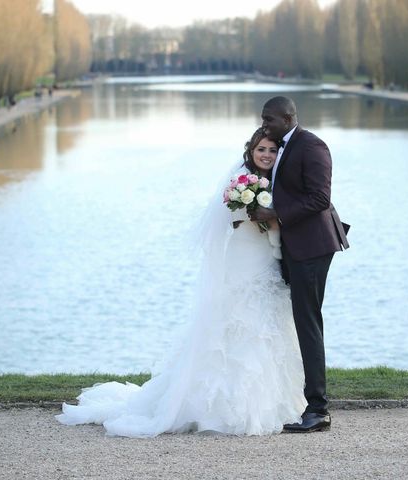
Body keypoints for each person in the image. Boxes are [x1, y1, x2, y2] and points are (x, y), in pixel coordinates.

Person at [56, 128, 306, 437]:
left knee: (267, 328)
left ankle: (272, 403)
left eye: (271, 150)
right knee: (238, 323)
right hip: (243, 257)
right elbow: (235, 219)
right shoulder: (241, 180)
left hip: (265, 260)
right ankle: (224, 408)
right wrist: (264, 217)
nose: (266, 155)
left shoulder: (275, 179)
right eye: (261, 150)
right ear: (251, 151)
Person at [251, 96, 349, 433]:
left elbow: (321, 199)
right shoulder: (282, 145)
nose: (265, 124)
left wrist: (275, 214)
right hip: (296, 246)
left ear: (289, 116)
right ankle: (311, 403)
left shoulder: (312, 146)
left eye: (269, 119)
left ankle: (318, 409)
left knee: (308, 323)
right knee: (304, 322)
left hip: (313, 247)